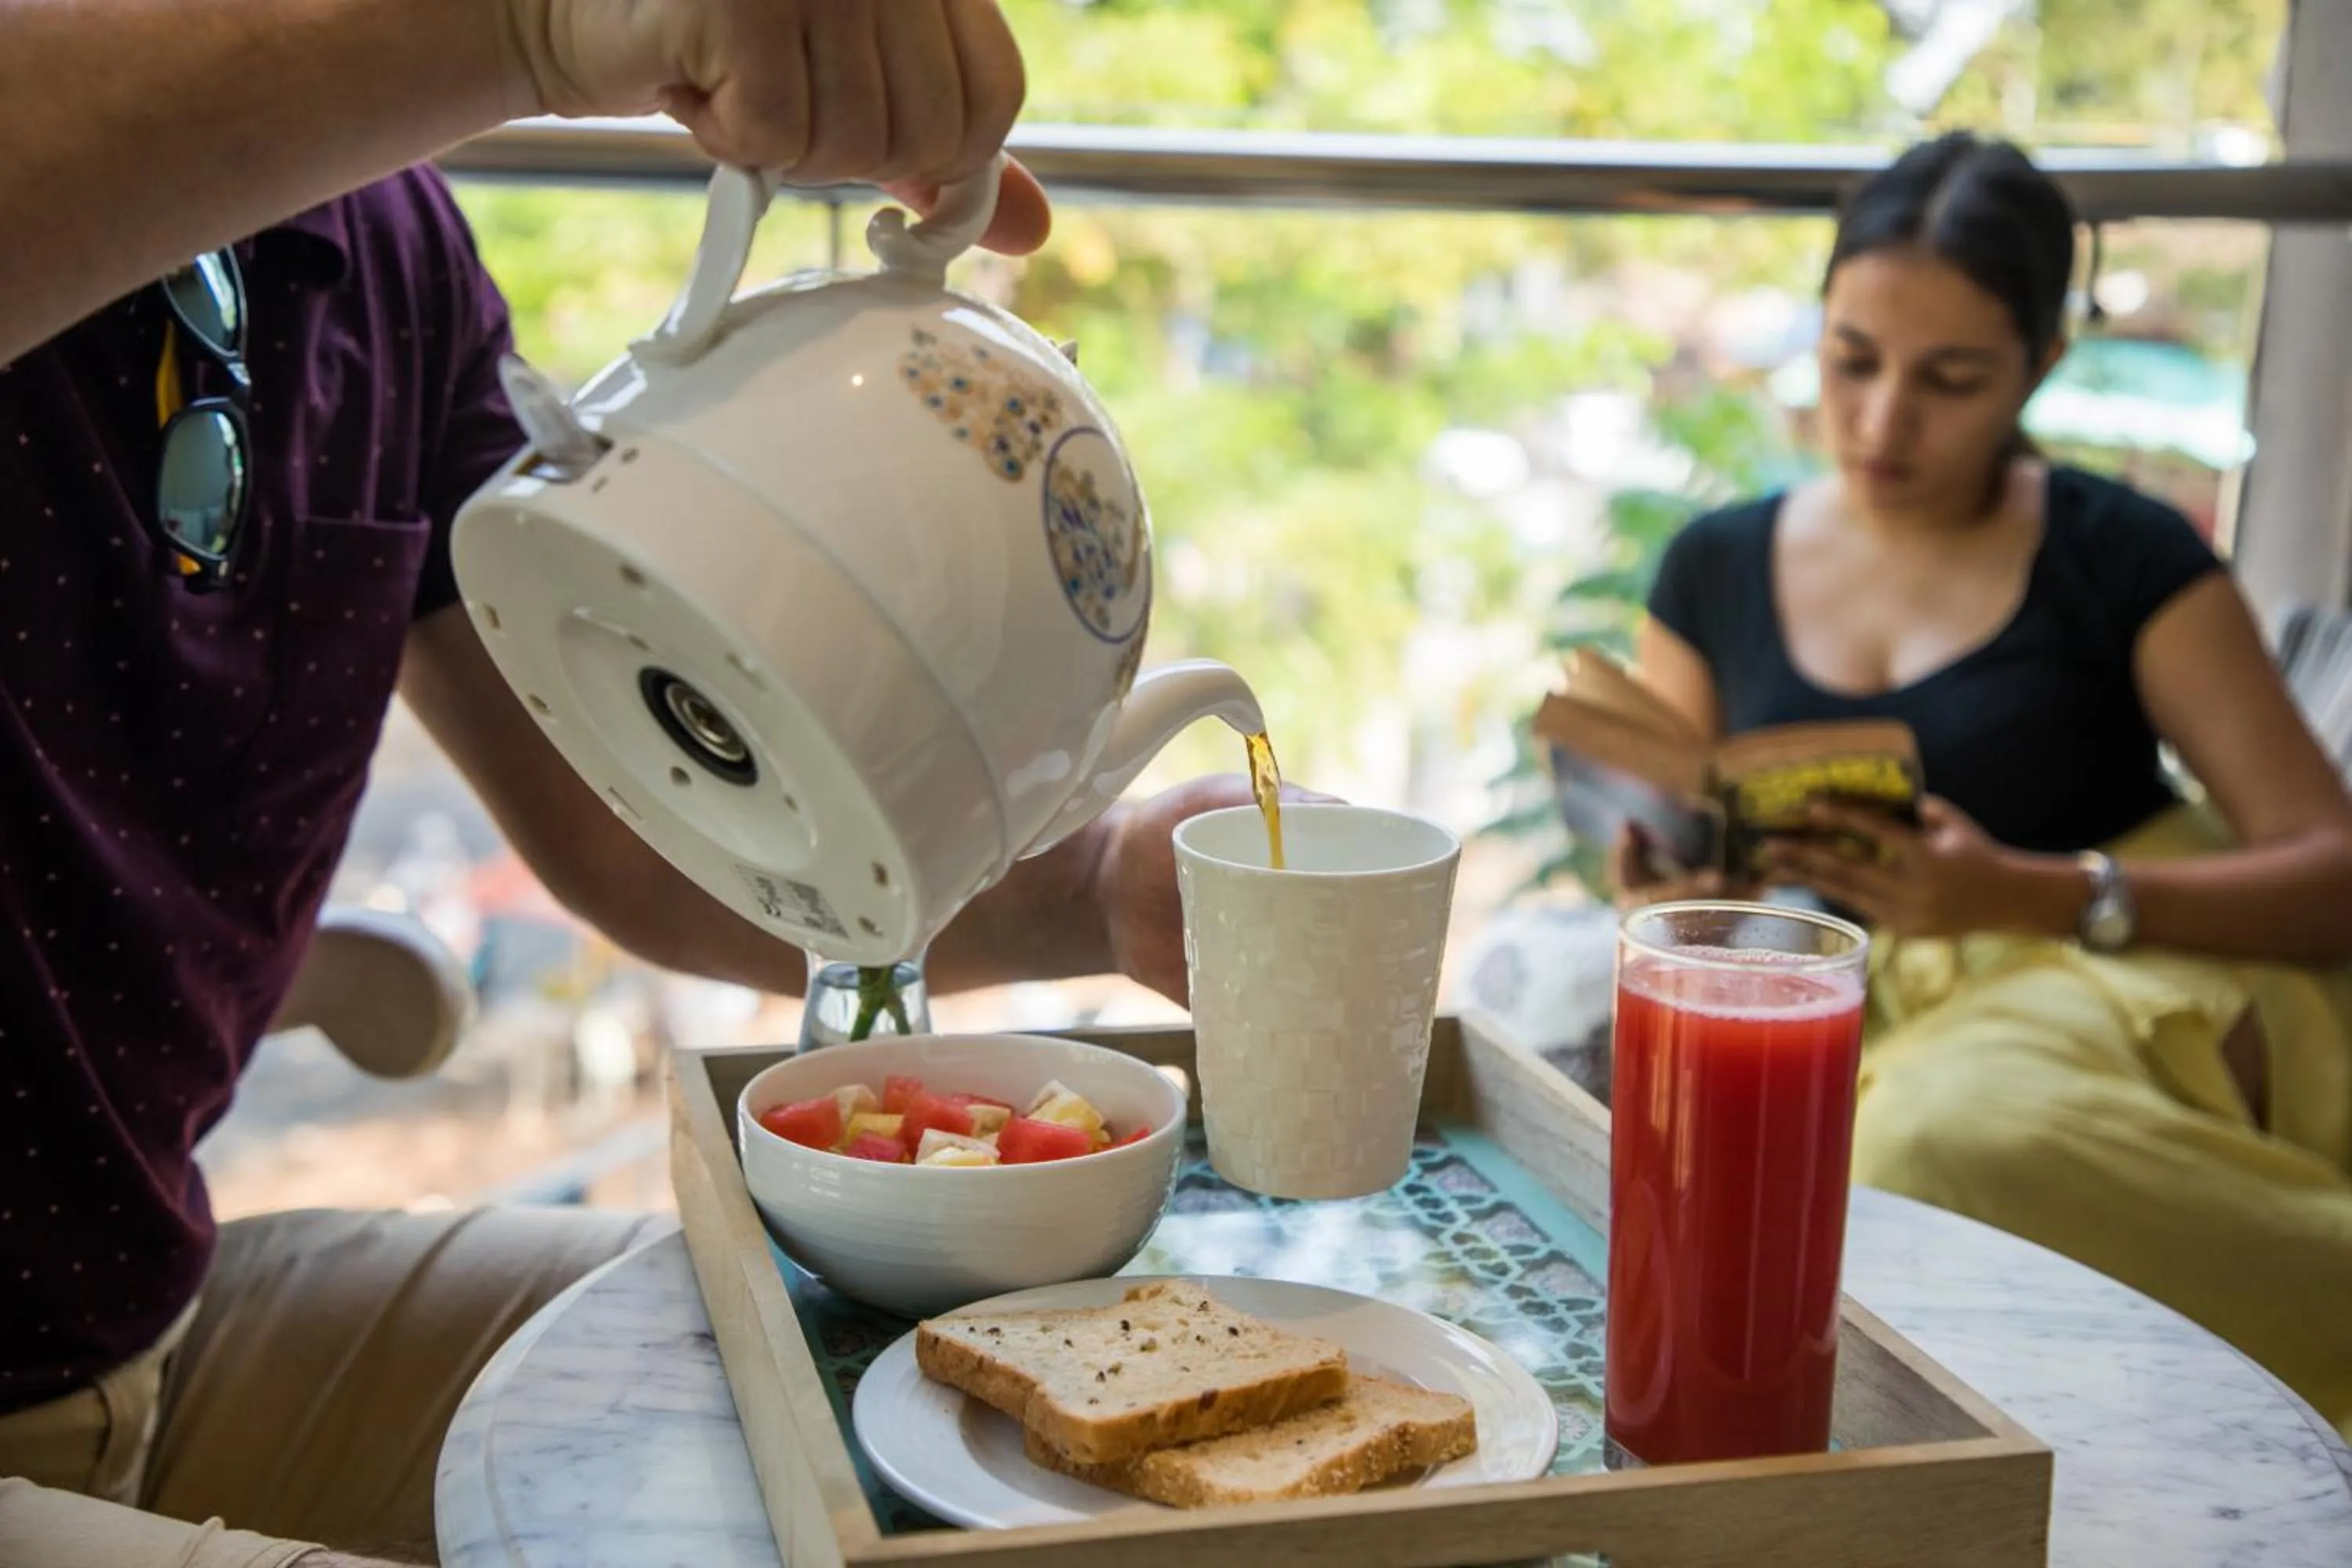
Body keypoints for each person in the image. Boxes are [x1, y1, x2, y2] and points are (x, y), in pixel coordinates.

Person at [0, 5, 1292, 1566]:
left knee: (884, 1424)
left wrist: (1096, 882)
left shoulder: (377, 247)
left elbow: (650, 803)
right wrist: (547, 27)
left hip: (137, 1321)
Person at [1615, 131, 2352, 1438]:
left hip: (2116, 972)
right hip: (1856, 994)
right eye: (1851, 361)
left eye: (1949, 379)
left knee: (1929, 1150)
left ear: (2040, 366)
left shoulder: (2118, 554)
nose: (1883, 420)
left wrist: (2030, 894)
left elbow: (2330, 870)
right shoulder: (1714, 570)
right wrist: (1678, 880)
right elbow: (1671, 827)